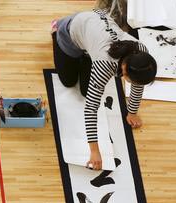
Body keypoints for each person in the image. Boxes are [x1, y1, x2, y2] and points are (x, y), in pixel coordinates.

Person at [52, 9, 157, 170]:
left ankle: (83, 52)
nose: (136, 84)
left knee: (86, 90)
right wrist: (94, 151)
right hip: (72, 35)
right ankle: (57, 28)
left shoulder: (142, 53)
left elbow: (138, 83)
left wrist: (132, 111)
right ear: (125, 69)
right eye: (132, 80)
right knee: (68, 81)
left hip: (93, 40)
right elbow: (91, 108)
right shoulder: (105, 64)